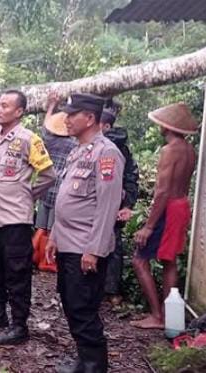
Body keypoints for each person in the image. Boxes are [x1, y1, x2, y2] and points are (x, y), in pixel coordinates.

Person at [0, 90, 56, 345]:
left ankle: (19, 325)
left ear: (19, 112)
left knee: (18, 272)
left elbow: (49, 175)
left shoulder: (29, 139)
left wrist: (28, 194)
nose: (0, 109)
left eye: (6, 106)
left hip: (16, 219)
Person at [45, 93, 124, 373]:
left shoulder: (107, 153)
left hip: (85, 248)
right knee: (71, 305)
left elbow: (107, 206)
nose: (65, 120)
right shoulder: (78, 150)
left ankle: (94, 365)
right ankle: (84, 360)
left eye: (72, 115)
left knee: (83, 309)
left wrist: (94, 249)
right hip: (68, 244)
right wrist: (54, 235)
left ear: (90, 118)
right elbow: (66, 199)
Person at [131, 103, 198, 330]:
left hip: (168, 208)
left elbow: (162, 191)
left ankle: (157, 316)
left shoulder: (169, 151)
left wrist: (149, 226)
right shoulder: (190, 150)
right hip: (181, 206)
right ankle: (169, 318)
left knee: (139, 260)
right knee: (169, 262)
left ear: (166, 126)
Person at [100, 106, 140, 305]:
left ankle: (110, 290)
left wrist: (127, 205)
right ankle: (105, 289)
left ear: (106, 126)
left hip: (113, 203)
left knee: (112, 245)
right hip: (102, 203)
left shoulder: (115, 147)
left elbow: (130, 176)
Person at [33, 93, 77, 265]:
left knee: (40, 226)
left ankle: (35, 257)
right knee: (52, 228)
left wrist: (51, 106)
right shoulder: (73, 143)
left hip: (46, 187)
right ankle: (48, 261)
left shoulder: (47, 140)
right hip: (61, 189)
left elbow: (45, 128)